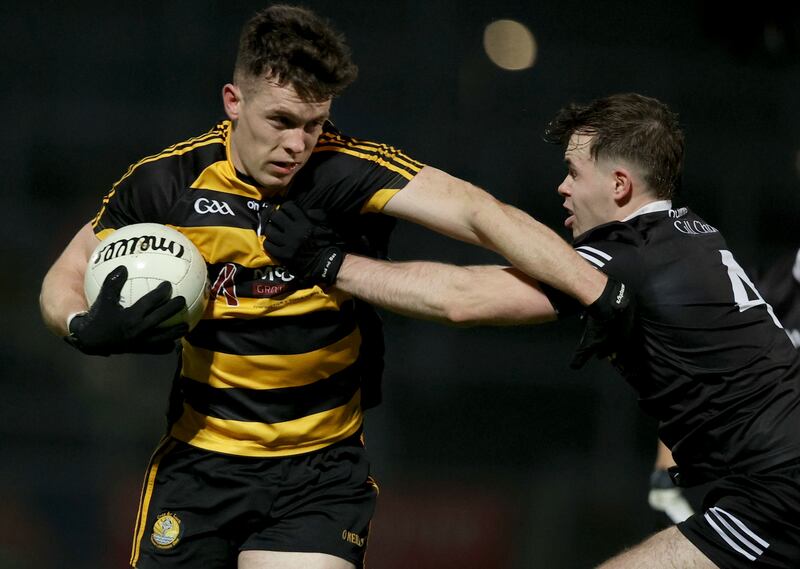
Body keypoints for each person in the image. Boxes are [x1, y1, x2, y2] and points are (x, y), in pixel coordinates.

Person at [38, 6, 622, 569]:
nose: (299, 144)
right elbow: (68, 270)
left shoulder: (347, 170)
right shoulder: (168, 182)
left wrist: (596, 290)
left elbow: (479, 213)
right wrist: (80, 326)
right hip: (198, 465)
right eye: (282, 121)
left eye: (314, 123)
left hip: (317, 474)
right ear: (233, 102)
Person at [263, 93, 800, 568]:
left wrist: (330, 263)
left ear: (619, 184)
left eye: (573, 170)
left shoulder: (627, 257)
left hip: (778, 490)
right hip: (766, 481)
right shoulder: (693, 235)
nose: (561, 187)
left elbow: (461, 300)